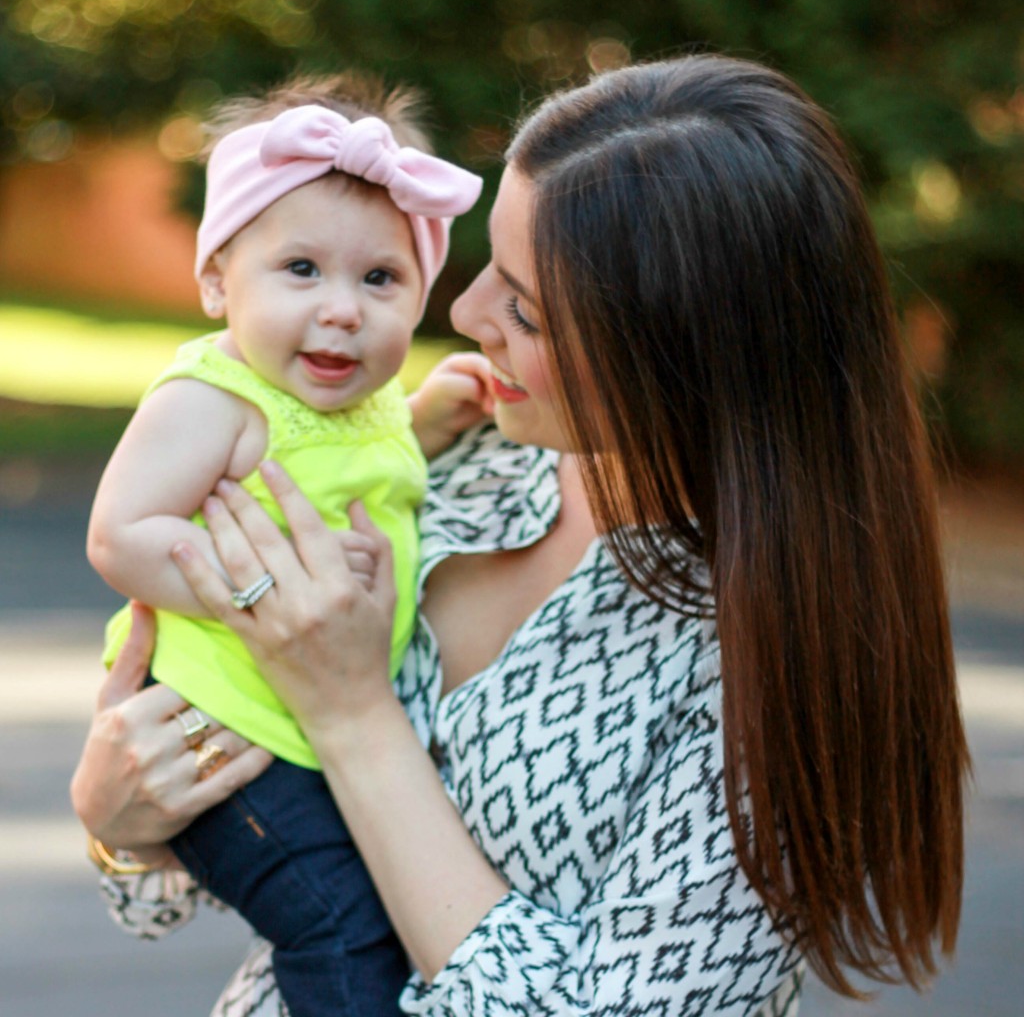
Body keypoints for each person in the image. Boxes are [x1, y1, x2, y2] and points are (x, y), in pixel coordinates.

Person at [72, 54, 970, 1016]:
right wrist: (124, 826)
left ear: (674, 357)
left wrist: (353, 714)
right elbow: (198, 873)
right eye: (484, 267)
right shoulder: (465, 460)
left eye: (525, 308)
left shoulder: (775, 660)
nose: (459, 315)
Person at [85, 72, 484, 1017]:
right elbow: (120, 535)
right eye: (301, 270)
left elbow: (356, 468)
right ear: (219, 280)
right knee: (342, 927)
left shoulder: (366, 399)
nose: (343, 308)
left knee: (386, 914)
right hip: (216, 733)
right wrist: (268, 586)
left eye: (380, 279)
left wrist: (426, 423)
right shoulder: (212, 400)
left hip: (296, 731)